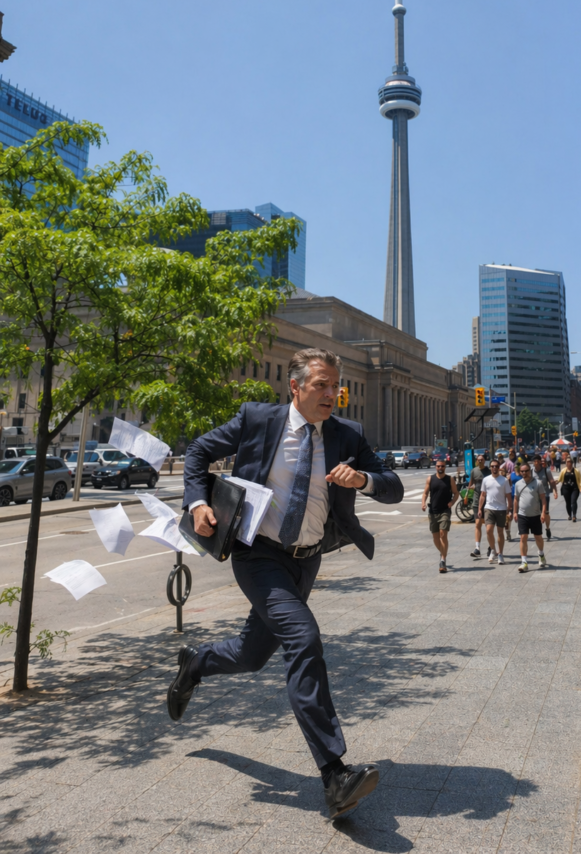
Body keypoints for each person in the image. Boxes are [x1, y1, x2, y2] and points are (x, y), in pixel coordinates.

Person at [171, 348, 403, 820]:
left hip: (305, 561)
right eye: (320, 384)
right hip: (257, 555)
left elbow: (393, 484)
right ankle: (335, 773)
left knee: (252, 654)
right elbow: (198, 452)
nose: (331, 393)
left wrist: (363, 480)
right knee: (303, 638)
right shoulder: (259, 421)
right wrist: (197, 503)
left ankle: (196, 663)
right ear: (294, 387)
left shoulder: (346, 435)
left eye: (335, 384)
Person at [422, 458, 460, 573]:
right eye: (438, 466)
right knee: (435, 537)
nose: (440, 468)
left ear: (445, 467)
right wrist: (423, 503)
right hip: (433, 511)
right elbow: (425, 493)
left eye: (442, 466)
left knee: (443, 534)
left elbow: (456, 493)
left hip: (445, 510)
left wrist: (452, 503)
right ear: (436, 467)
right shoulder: (430, 479)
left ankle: (443, 560)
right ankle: (442, 552)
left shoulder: (450, 479)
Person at [513, 464, 548, 572]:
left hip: (535, 515)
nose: (524, 473)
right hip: (522, 515)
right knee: (523, 537)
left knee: (538, 537)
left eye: (526, 471)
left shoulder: (538, 483)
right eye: (522, 471)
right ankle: (524, 562)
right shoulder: (518, 484)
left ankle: (541, 553)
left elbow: (543, 499)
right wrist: (514, 512)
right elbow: (516, 499)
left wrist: (543, 513)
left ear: (530, 471)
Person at [479, 458, 513, 564]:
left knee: (500, 532)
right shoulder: (486, 480)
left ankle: (501, 554)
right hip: (489, 508)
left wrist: (509, 509)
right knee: (488, 530)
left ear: (499, 468)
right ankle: (493, 550)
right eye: (492, 466)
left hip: (502, 509)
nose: (494, 468)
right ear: (490, 468)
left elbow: (508, 496)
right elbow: (482, 495)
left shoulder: (504, 480)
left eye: (496, 466)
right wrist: (480, 508)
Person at [467, 454, 491, 558]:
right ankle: (477, 548)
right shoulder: (474, 471)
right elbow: (470, 484)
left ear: (485, 460)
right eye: (478, 460)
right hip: (477, 501)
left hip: (488, 501)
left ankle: (491, 546)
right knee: (477, 523)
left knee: (488, 526)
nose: (480, 461)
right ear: (476, 461)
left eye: (482, 460)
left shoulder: (489, 471)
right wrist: (468, 495)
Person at [532, 454, 558, 541]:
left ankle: (547, 528)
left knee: (546, 513)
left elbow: (552, 482)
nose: (535, 463)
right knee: (536, 514)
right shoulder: (531, 471)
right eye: (534, 461)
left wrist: (555, 491)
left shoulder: (546, 471)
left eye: (537, 461)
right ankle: (538, 530)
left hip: (545, 494)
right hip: (534, 496)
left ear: (540, 462)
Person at [558, 456, 581, 520]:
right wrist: (553, 482)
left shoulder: (576, 471)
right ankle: (569, 514)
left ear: (571, 463)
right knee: (568, 502)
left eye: (569, 462)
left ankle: (574, 515)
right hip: (566, 488)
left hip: (574, 488)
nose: (568, 463)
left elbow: (580, 480)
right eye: (567, 462)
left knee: (573, 501)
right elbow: (559, 479)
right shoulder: (563, 470)